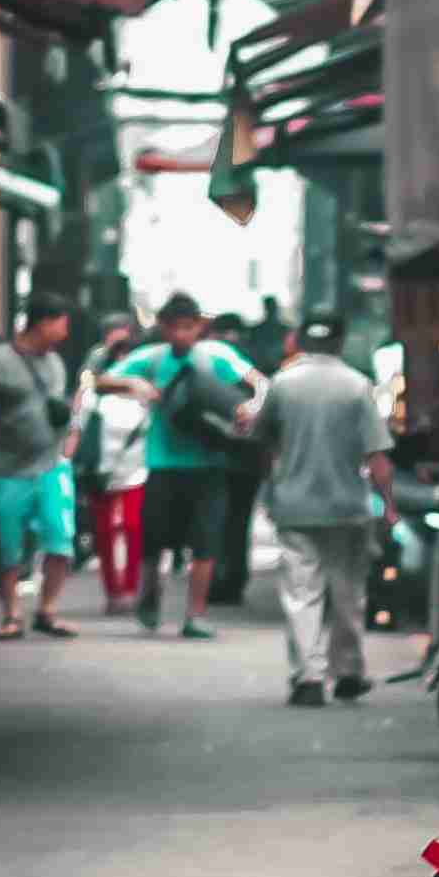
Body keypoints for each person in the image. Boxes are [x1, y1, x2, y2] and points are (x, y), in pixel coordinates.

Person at [108, 295, 268, 639]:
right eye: (175, 327)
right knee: (153, 542)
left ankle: (195, 615)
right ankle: (149, 599)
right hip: (163, 465)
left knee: (206, 543)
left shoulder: (217, 356)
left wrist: (249, 409)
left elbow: (261, 384)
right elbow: (100, 380)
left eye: (189, 327)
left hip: (209, 465)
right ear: (163, 328)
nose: (182, 334)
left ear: (199, 327)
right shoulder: (150, 359)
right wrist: (132, 384)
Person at [260, 313, 391, 705]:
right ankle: (348, 671)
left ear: (301, 340)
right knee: (348, 593)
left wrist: (273, 487)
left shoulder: (281, 384)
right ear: (340, 342)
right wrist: (389, 505)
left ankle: (309, 678)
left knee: (302, 592)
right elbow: (378, 455)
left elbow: (264, 441)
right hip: (347, 506)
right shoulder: (357, 386)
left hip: (295, 505)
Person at [0, 296, 84, 640]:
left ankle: (48, 611)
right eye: (61, 324)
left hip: (51, 466)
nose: (64, 333)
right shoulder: (0, 360)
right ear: (42, 323)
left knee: (61, 541)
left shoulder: (55, 364)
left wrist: (69, 440)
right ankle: (11, 615)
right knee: (9, 545)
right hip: (9, 469)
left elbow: (59, 406)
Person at [77, 317, 153, 616]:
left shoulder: (145, 389)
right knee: (105, 532)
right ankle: (113, 591)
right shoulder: (94, 387)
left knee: (134, 528)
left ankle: (131, 589)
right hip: (102, 469)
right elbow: (79, 420)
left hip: (137, 469)